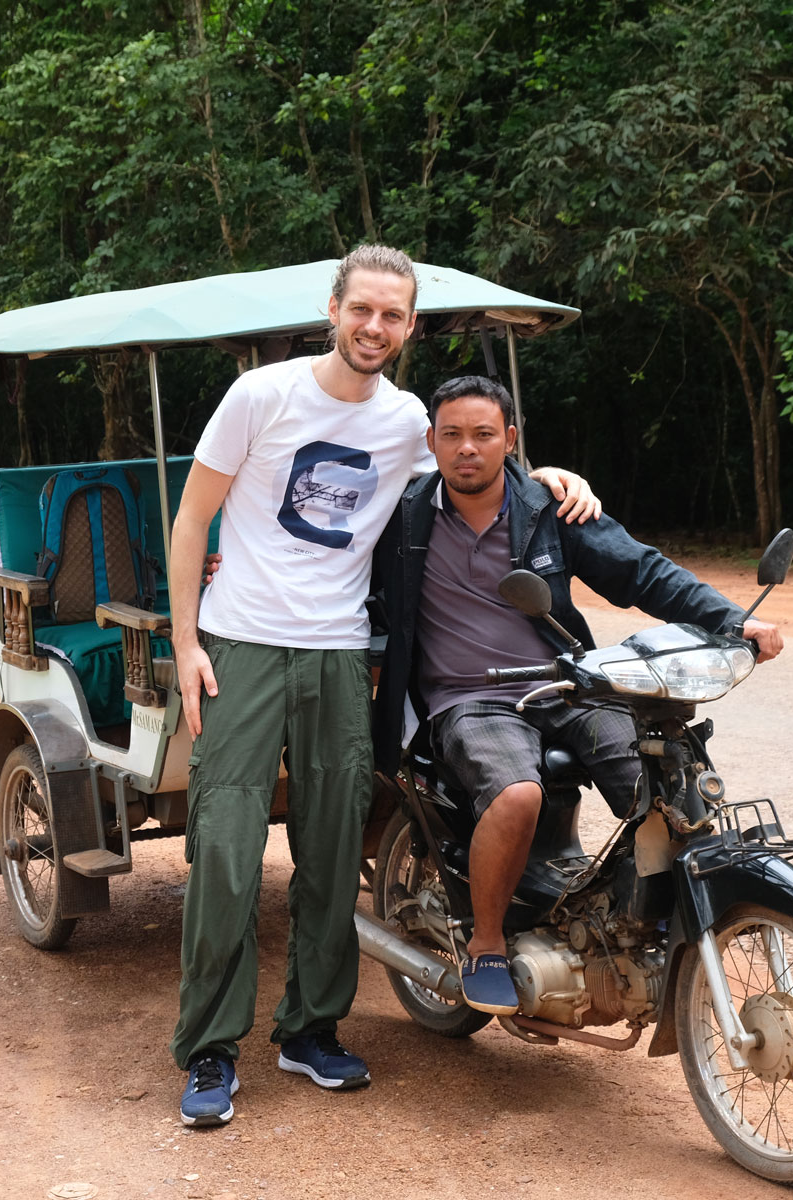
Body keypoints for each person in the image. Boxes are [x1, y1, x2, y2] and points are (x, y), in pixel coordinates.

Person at [164, 246, 600, 1128]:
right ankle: (211, 1049)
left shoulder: (408, 422)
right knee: (225, 846)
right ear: (335, 309)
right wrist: (185, 644)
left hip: (337, 656)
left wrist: (557, 479)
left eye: (393, 315)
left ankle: (310, 1031)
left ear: (408, 327)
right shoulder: (262, 396)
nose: (375, 327)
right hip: (243, 643)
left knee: (331, 850)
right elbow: (192, 518)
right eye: (362, 309)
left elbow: (482, 474)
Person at [370, 374, 782, 1015]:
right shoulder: (401, 515)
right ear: (431, 441)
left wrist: (733, 621)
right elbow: (319, 558)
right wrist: (221, 565)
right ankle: (485, 942)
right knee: (516, 794)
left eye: (483, 434)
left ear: (510, 439)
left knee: (664, 771)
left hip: (563, 684)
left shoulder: (547, 507)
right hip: (466, 699)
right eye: (451, 435)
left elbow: (639, 569)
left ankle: (646, 918)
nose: (467, 449)